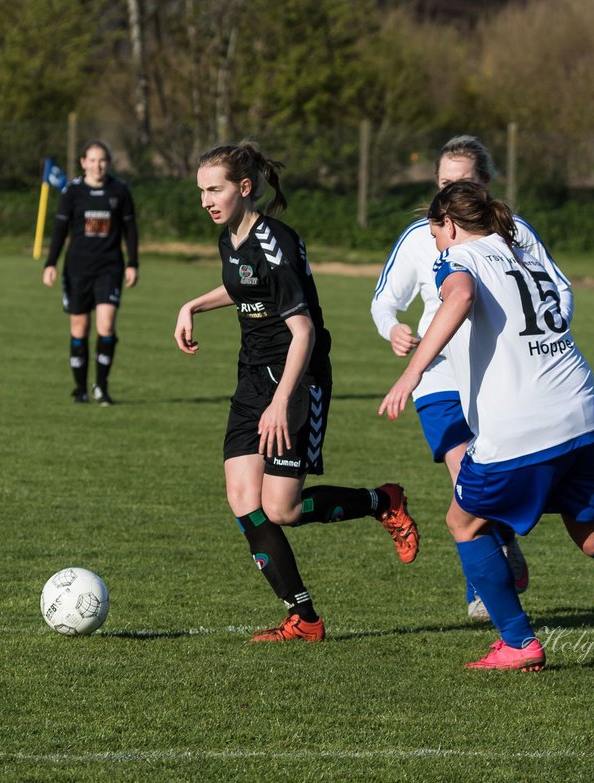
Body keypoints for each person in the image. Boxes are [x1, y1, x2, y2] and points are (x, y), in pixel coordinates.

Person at [379, 181, 594, 676]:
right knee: (592, 527)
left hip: (523, 423)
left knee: (464, 522)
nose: (435, 244)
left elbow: (458, 296)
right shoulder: (525, 253)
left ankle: (518, 642)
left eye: (436, 234)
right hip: (583, 409)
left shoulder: (458, 260)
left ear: (450, 225)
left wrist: (413, 372)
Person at [175, 140, 420, 642]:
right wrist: (194, 304)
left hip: (297, 377)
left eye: (214, 189)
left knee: (282, 509)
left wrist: (282, 402)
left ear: (244, 188)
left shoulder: (277, 243)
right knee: (244, 499)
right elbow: (245, 285)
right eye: (201, 191)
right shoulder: (231, 237)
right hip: (251, 378)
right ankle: (303, 618)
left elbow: (303, 331)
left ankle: (382, 501)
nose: (206, 200)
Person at [371, 134, 573, 621]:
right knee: (466, 481)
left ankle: (500, 569)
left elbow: (557, 291)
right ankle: (484, 588)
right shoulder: (422, 235)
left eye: (462, 182)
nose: (450, 193)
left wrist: (547, 335)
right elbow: (384, 300)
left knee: (482, 490)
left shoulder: (516, 232)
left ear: (485, 185)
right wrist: (394, 328)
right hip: (438, 376)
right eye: (443, 183)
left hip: (494, 378)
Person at [43, 141, 139, 406]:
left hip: (109, 267)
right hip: (77, 269)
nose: (98, 166)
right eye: (92, 160)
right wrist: (50, 263)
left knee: (106, 326)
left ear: (108, 163)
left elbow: (130, 230)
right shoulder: (72, 192)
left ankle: (101, 387)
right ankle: (80, 388)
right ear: (83, 162)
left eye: (102, 161)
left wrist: (133, 263)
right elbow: (60, 231)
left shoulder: (119, 190)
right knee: (79, 329)